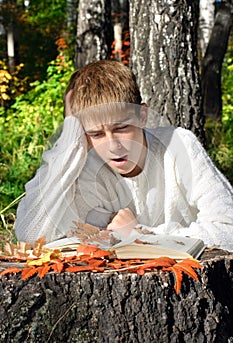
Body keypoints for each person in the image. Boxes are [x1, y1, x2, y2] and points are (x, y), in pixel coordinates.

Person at [15, 60, 233, 251]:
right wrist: (69, 143)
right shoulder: (88, 168)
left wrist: (141, 236)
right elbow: (31, 234)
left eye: (121, 128)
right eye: (96, 133)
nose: (113, 146)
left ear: (142, 115)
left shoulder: (178, 145)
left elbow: (228, 230)